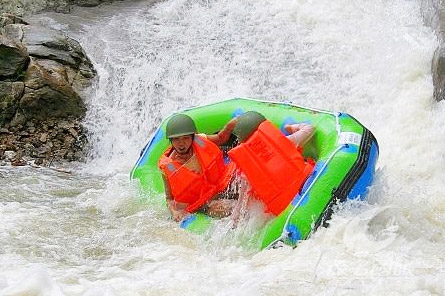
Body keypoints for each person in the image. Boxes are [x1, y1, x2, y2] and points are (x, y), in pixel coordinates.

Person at [228, 111, 315, 216]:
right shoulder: (286, 141)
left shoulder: (246, 171)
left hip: (284, 208)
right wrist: (293, 127)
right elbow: (310, 128)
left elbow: (241, 206)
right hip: (307, 185)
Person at [158, 113, 238, 222]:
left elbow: (220, 138)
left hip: (220, 186)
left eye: (185, 138)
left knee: (243, 180)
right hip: (203, 203)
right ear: (171, 140)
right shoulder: (168, 167)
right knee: (232, 209)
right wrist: (174, 212)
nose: (181, 143)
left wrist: (229, 126)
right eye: (176, 139)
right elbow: (169, 198)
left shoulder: (199, 140)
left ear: (192, 137)